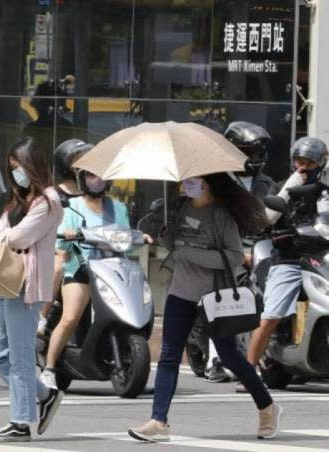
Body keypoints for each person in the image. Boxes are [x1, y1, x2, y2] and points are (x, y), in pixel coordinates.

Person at [128, 173, 280, 442]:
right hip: (180, 293)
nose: (188, 184)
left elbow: (234, 257)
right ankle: (158, 421)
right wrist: (165, 238)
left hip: (214, 299)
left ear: (208, 183)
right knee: (168, 356)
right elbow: (176, 247)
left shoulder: (220, 214)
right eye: (186, 180)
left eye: (194, 180)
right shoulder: (180, 206)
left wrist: (191, 254)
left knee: (230, 357)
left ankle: (267, 406)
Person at [0, 136, 64, 442]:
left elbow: (17, 238)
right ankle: (44, 394)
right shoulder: (19, 200)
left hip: (26, 287)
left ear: (32, 166)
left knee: (20, 357)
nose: (15, 173)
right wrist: (7, 234)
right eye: (11, 168)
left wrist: (7, 234)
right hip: (5, 282)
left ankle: (20, 422)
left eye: (18, 167)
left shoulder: (49, 201)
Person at [41, 168, 138, 389]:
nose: (97, 180)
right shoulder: (73, 207)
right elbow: (62, 245)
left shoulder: (118, 207)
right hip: (81, 268)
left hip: (112, 270)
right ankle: (50, 367)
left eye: (101, 176)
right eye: (91, 176)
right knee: (71, 317)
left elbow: (125, 237)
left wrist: (139, 237)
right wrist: (66, 236)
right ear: (82, 180)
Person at [246, 137, 329, 386]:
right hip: (289, 260)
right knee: (272, 315)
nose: (303, 167)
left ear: (321, 164)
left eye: (310, 163)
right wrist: (288, 188)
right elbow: (267, 219)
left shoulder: (325, 193)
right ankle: (248, 372)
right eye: (299, 161)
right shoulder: (280, 188)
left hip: (319, 258)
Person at [199, 121, 274, 383]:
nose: (253, 158)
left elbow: (275, 216)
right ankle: (215, 360)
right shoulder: (214, 183)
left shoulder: (268, 184)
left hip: (260, 249)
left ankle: (269, 354)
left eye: (257, 152)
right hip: (223, 249)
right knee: (221, 296)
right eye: (247, 151)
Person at [41, 139, 93, 334]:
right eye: (78, 159)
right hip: (59, 247)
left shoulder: (93, 192)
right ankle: (41, 316)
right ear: (65, 164)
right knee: (59, 264)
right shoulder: (54, 194)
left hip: (87, 250)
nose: (85, 163)